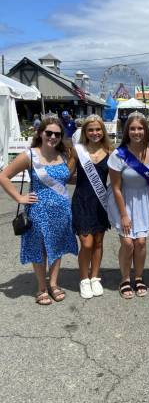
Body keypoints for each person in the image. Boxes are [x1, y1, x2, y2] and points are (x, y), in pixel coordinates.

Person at [0, 116, 78, 305]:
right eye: (49, 133)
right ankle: (41, 288)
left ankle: (54, 284)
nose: (53, 137)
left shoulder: (64, 154)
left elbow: (65, 179)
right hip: (38, 210)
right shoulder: (30, 155)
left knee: (57, 247)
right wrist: (19, 198)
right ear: (40, 133)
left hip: (61, 210)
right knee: (40, 249)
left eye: (57, 134)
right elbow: (4, 176)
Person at [108, 112, 149, 299]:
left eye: (140, 128)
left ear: (146, 130)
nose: (137, 132)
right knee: (128, 244)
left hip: (144, 200)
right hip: (123, 200)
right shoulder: (118, 155)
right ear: (127, 131)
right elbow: (116, 188)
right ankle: (125, 278)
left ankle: (139, 277)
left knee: (141, 242)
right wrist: (124, 214)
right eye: (133, 128)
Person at [70, 115, 111, 299]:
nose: (95, 133)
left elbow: (119, 177)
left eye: (98, 129)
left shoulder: (109, 150)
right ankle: (84, 279)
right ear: (84, 132)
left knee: (98, 242)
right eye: (91, 130)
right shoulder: (77, 150)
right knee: (86, 243)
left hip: (101, 203)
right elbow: (66, 174)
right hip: (82, 201)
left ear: (103, 131)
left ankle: (95, 277)